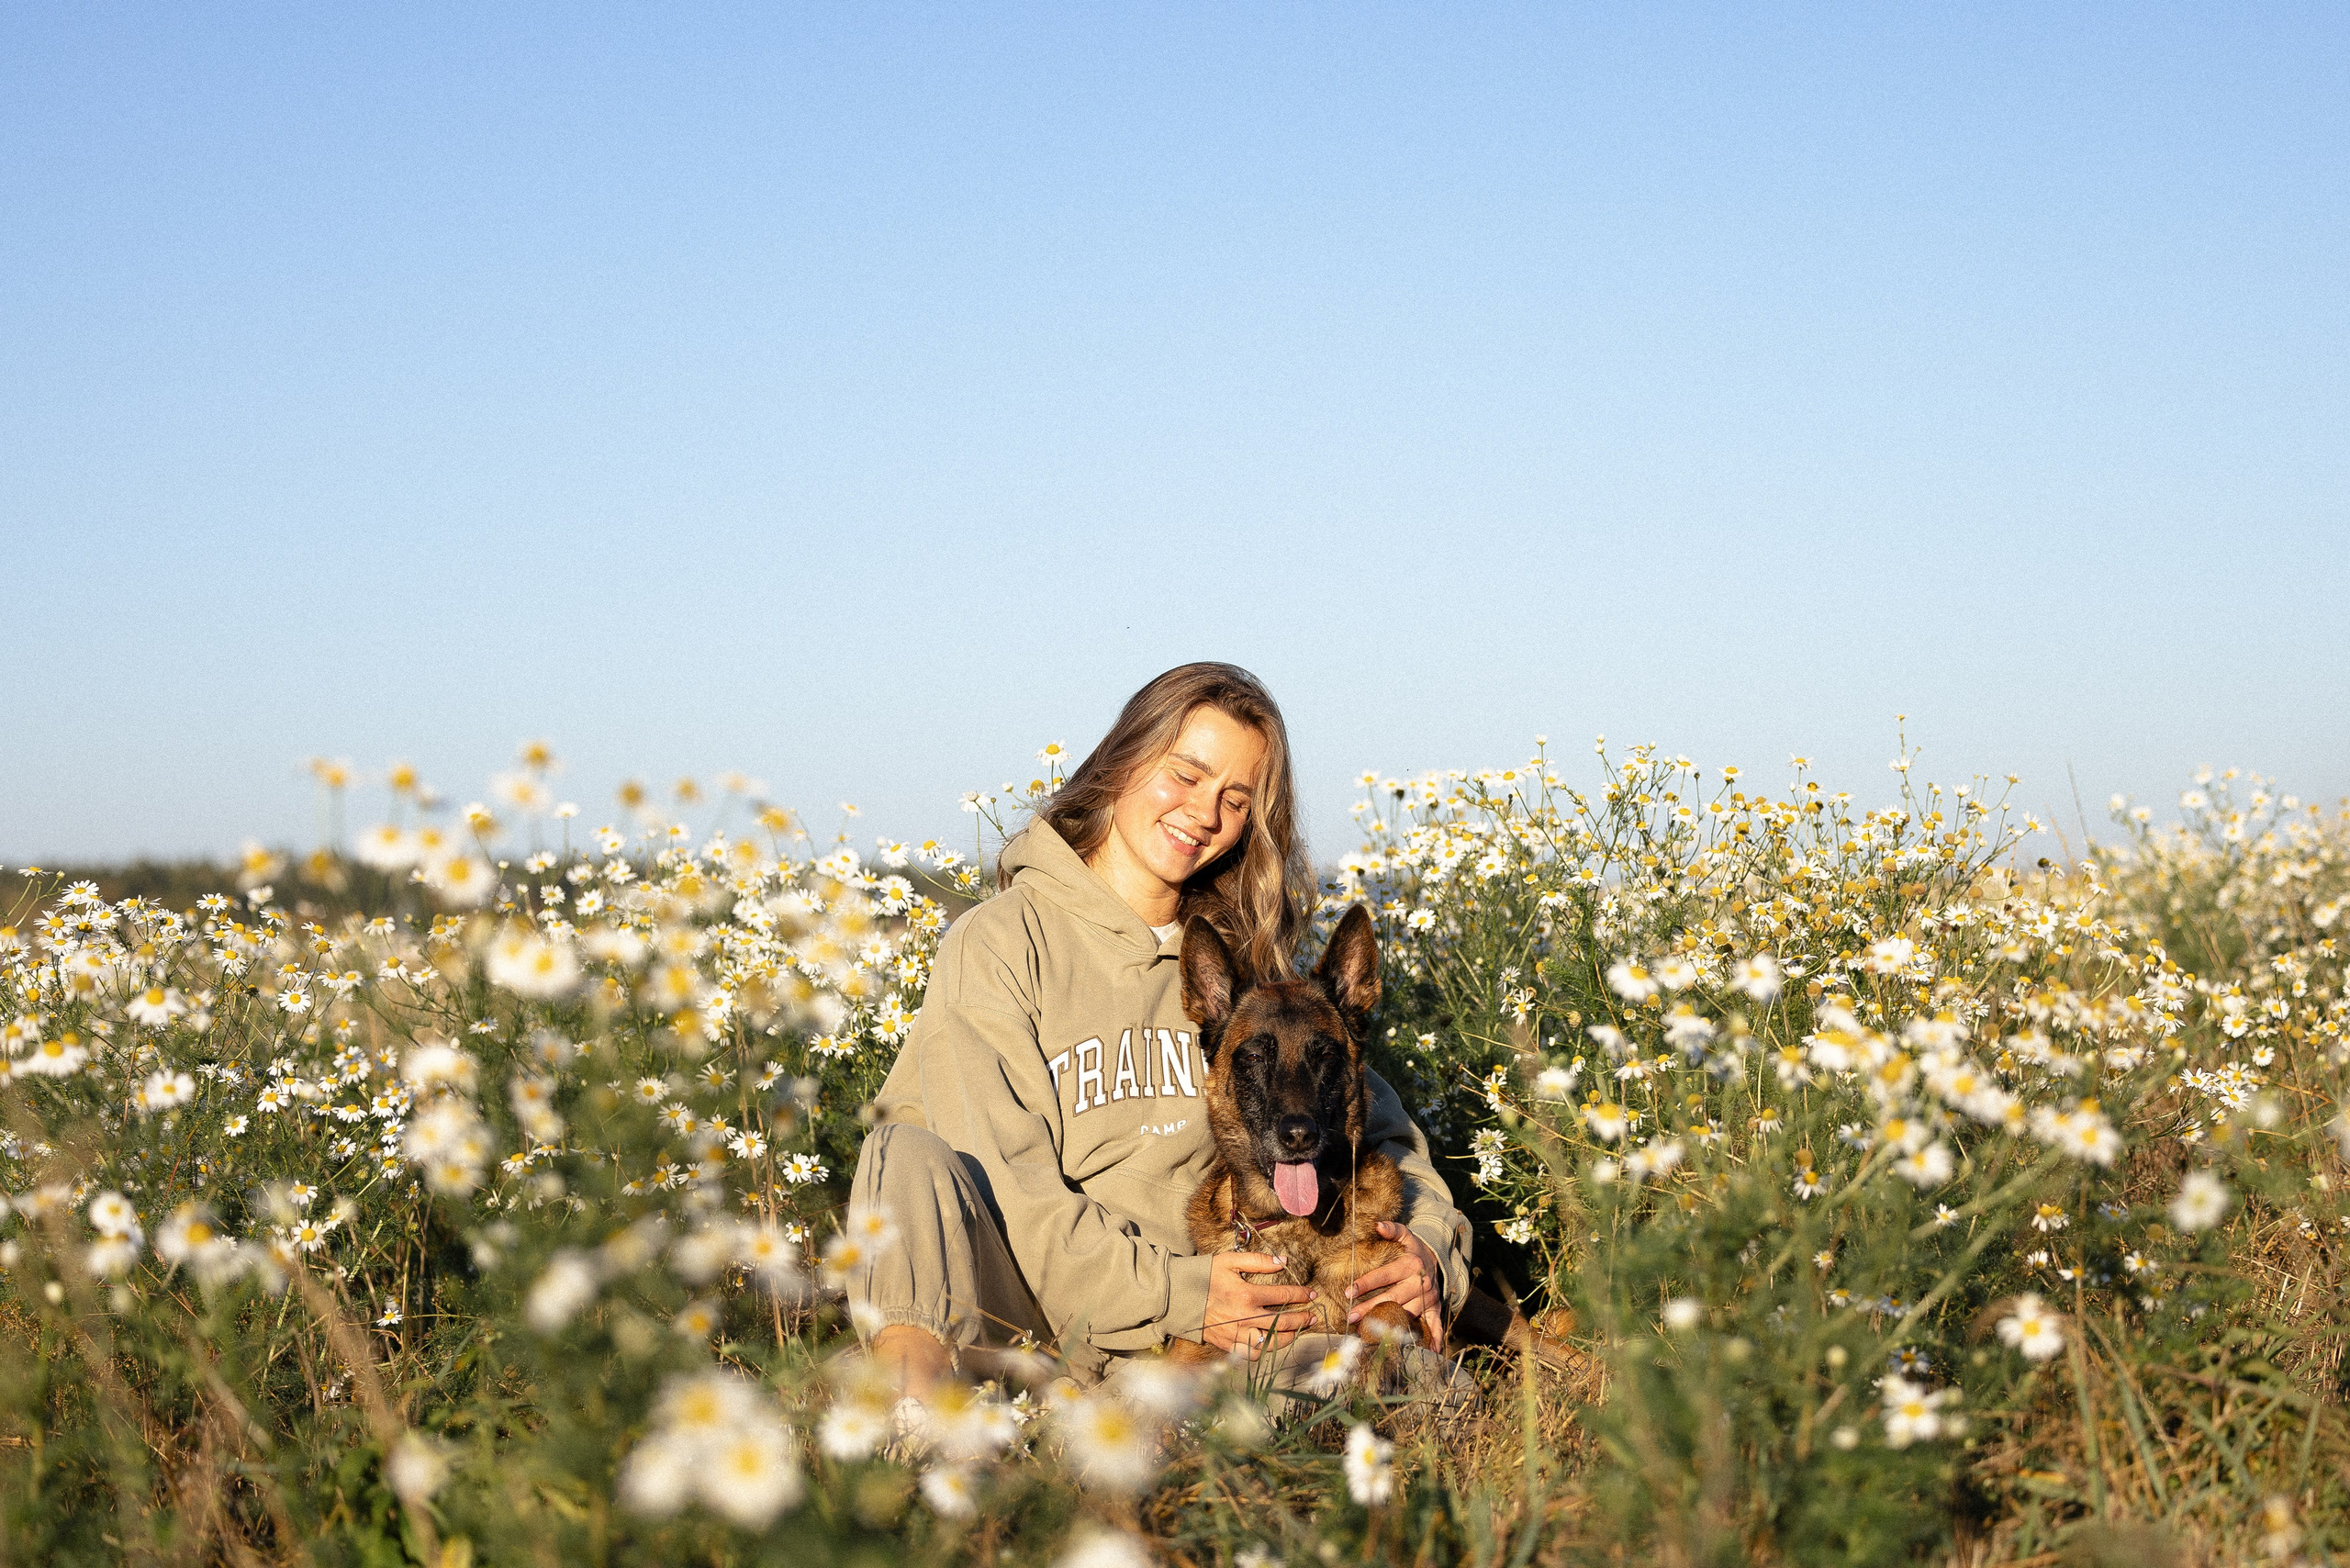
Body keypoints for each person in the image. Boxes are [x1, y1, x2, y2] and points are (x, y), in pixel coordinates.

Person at [847, 662, 1470, 1396]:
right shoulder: (1000, 944)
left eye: (1235, 799)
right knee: (903, 1153)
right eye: (1186, 774)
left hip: (1225, 1328)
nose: (1203, 812)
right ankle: (913, 1434)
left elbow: (1381, 1135)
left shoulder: (1251, 972)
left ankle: (1292, 1406)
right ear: (1124, 759)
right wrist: (1176, 1294)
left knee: (1379, 1381)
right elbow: (1010, 1185)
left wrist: (1428, 1250)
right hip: (1043, 1316)